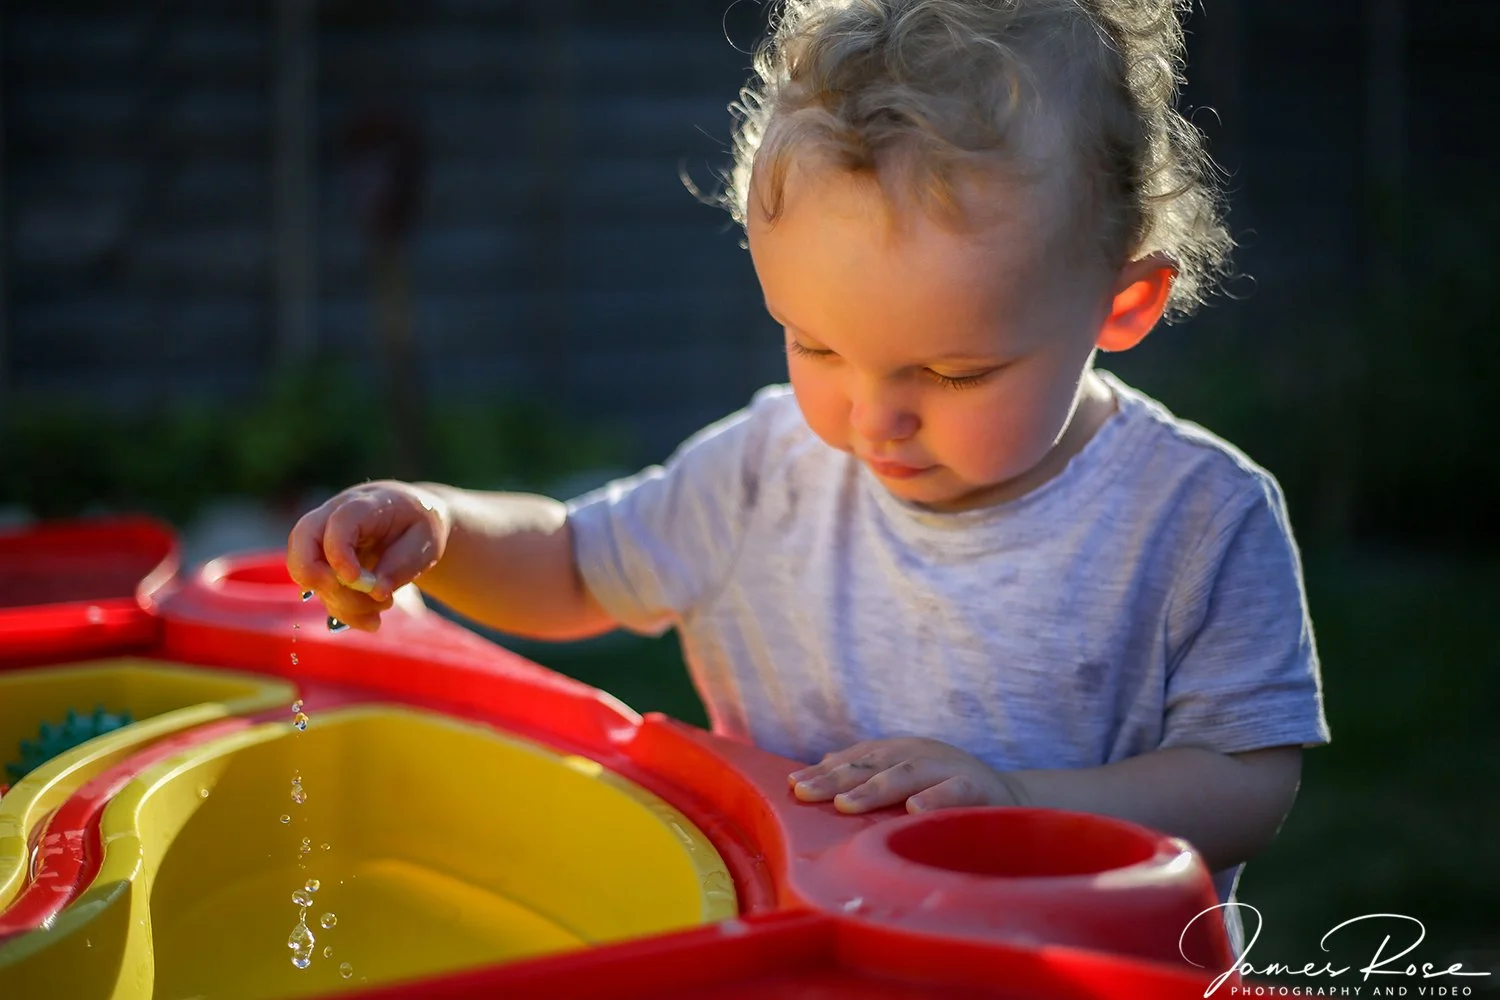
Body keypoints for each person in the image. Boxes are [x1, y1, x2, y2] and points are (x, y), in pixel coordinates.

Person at [287, 0, 1329, 954]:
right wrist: (442, 526)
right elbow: (569, 565)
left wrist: (1017, 796)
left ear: (1123, 305)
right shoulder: (762, 473)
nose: (875, 415)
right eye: (816, 346)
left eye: (953, 370)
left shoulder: (1196, 516)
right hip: (801, 959)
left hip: (1076, 969)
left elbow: (1246, 780)